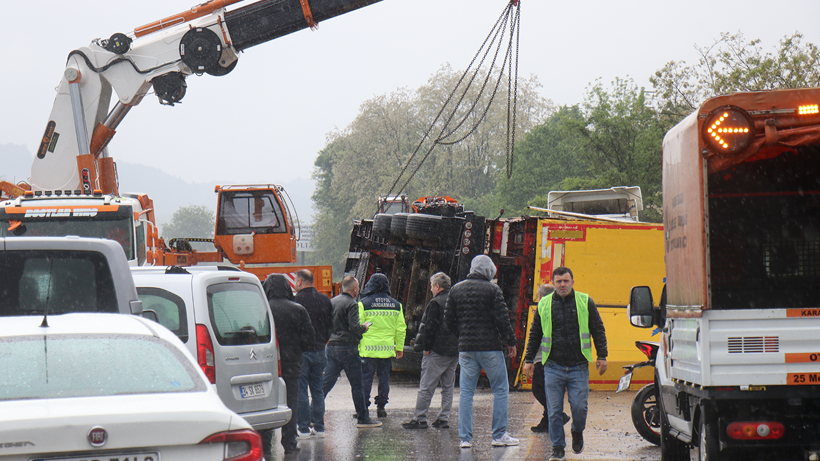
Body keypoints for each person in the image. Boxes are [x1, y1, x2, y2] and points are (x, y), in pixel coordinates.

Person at [523, 266, 608, 461]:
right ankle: (558, 447)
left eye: (566, 281)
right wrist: (529, 360)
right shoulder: (544, 305)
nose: (562, 284)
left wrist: (602, 356)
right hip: (553, 366)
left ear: (572, 282)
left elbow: (598, 329)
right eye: (559, 281)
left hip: (578, 366)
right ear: (553, 283)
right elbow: (535, 333)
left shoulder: (585, 302)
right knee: (554, 411)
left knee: (579, 408)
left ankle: (577, 431)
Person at [443, 255, 519, 448]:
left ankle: (465, 439)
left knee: (466, 393)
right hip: (490, 348)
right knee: (500, 390)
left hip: (466, 349)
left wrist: (463, 335)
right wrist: (510, 342)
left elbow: (449, 320)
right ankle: (498, 435)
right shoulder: (493, 289)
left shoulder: (456, 289)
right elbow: (502, 319)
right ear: (489, 271)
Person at [262, 274, 315, 455]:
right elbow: (309, 339)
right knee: (291, 403)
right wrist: (295, 349)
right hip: (292, 364)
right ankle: (290, 442)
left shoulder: (262, 308)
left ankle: (265, 442)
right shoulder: (298, 310)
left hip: (266, 365)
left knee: (266, 403)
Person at [322, 276, 383, 428]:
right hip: (348, 348)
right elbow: (354, 327)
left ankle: (311, 414)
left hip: (332, 347)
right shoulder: (352, 304)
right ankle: (363, 418)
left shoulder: (332, 301)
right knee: (357, 384)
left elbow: (326, 324)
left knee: (326, 383)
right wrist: (365, 328)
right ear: (354, 288)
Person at [402, 272, 459, 430]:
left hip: (437, 350)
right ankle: (443, 418)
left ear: (437, 286)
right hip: (454, 351)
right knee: (448, 386)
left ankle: (420, 418)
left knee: (427, 385)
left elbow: (429, 327)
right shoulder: (456, 301)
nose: (431, 289)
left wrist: (426, 347)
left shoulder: (436, 303)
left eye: (432, 286)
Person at [357, 273, 406, 418]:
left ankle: (364, 408)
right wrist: (399, 347)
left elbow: (358, 327)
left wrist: (357, 346)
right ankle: (381, 407)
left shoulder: (364, 304)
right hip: (387, 351)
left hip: (368, 350)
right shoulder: (396, 305)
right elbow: (401, 328)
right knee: (384, 379)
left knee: (366, 379)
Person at [293, 269, 333, 438]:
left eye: (295, 280)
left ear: (300, 282)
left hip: (302, 352)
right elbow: (330, 326)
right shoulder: (325, 300)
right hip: (320, 350)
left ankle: (303, 428)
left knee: (301, 390)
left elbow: (293, 328)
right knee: (317, 390)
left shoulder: (295, 301)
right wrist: (322, 340)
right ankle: (320, 427)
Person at [529, 284, 570, 433]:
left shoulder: (544, 309)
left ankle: (557, 415)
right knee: (549, 390)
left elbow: (536, 336)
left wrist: (530, 359)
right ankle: (547, 421)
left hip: (544, 357)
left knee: (538, 389)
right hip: (555, 357)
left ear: (540, 296)